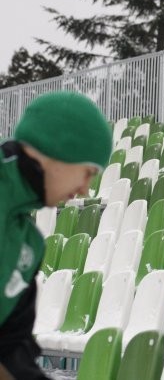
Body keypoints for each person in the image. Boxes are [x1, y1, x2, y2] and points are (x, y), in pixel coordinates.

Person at [0, 91, 112, 379]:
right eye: (87, 172)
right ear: (60, 151)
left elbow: (10, 350)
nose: (86, 189)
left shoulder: (28, 245)